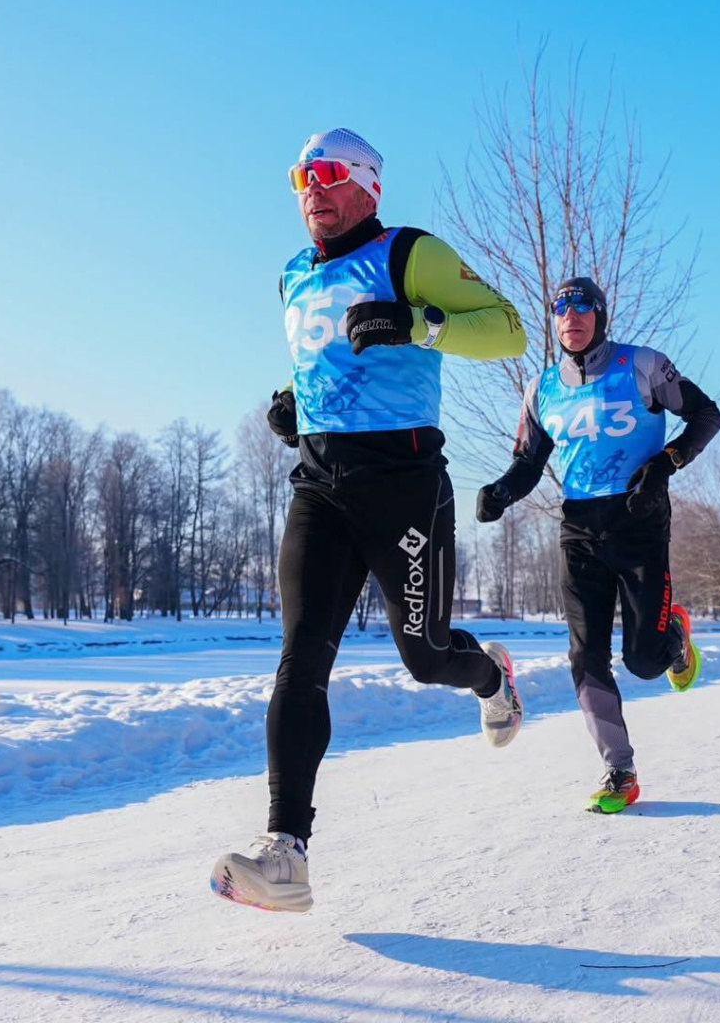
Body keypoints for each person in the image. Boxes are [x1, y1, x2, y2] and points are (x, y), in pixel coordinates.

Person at [210, 128, 529, 912]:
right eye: (300, 178)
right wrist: (293, 403)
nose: (311, 191)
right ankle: (286, 852)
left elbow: (509, 329)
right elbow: (319, 357)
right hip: (320, 486)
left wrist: (420, 324)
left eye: (326, 174)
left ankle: (491, 677)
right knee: (300, 658)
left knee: (426, 656)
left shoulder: (408, 254)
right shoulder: (291, 275)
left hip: (403, 486)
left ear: (366, 184)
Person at [476, 276, 720, 814]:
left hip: (639, 521)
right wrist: (501, 492)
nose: (572, 317)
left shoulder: (642, 366)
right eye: (561, 309)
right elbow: (528, 464)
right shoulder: (542, 389)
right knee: (585, 654)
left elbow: (707, 416)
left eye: (583, 307)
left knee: (644, 662)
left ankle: (673, 636)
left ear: (600, 315)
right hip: (580, 531)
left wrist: (665, 465)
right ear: (554, 321)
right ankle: (619, 769)